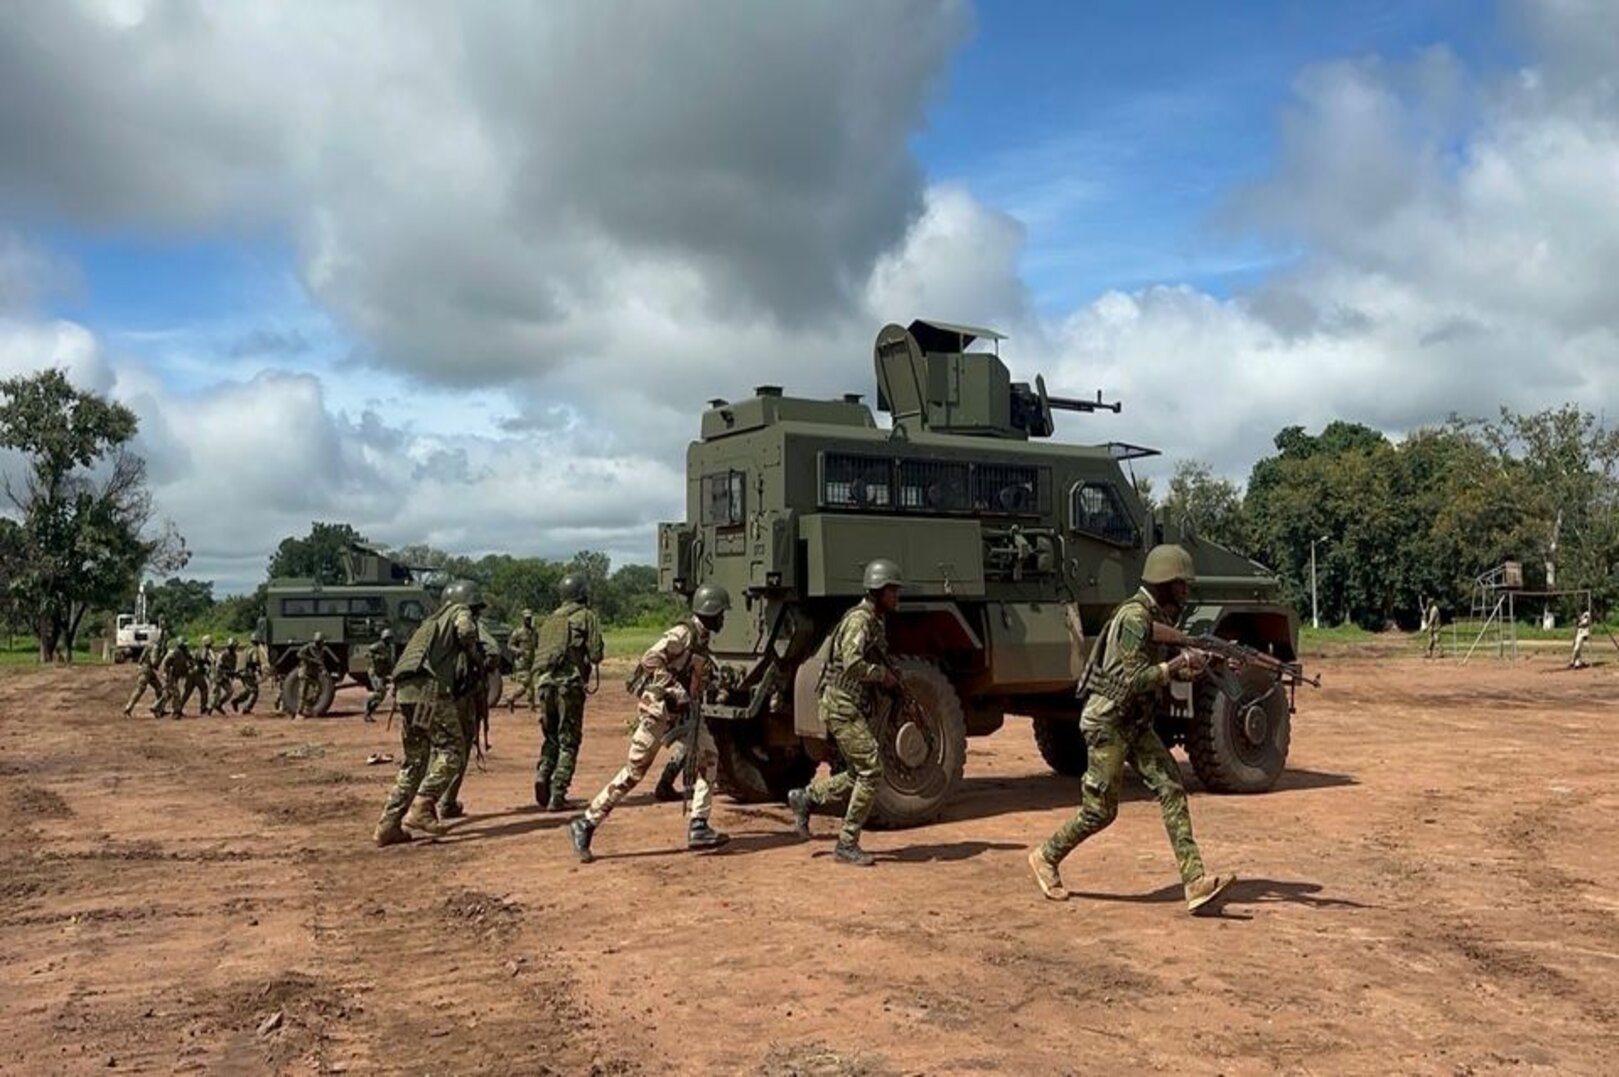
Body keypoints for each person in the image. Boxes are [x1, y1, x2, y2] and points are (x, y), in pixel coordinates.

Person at [1027, 544, 1235, 915]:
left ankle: (1195, 883)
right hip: (1107, 722)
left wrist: (1193, 666)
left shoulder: (1152, 618)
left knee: (1171, 787)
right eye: (1182, 585)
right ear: (1165, 583)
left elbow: (1153, 674)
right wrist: (1176, 667)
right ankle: (1045, 856)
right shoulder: (1134, 619)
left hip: (1133, 723)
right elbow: (1134, 679)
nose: (1186, 592)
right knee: (1100, 812)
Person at [569, 585, 731, 863]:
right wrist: (671, 687)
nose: (724, 620)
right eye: (722, 614)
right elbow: (649, 658)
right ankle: (586, 822)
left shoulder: (701, 640)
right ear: (711, 612)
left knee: (710, 758)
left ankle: (699, 826)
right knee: (634, 772)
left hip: (685, 713)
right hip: (659, 712)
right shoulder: (683, 634)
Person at [786, 559, 904, 868]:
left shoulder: (874, 620)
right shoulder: (860, 621)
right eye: (893, 590)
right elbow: (852, 664)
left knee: (857, 773)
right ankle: (847, 843)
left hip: (847, 704)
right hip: (841, 704)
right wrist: (882, 675)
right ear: (879, 591)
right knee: (871, 769)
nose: (897, 596)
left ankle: (807, 797)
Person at [372, 579, 486, 846]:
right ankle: (423, 805)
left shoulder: (430, 623)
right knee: (454, 750)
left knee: (415, 760)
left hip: (406, 692)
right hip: (428, 690)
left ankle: (388, 825)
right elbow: (467, 631)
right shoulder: (460, 612)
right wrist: (472, 653)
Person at [533, 574, 605, 811]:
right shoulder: (586, 616)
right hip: (568, 686)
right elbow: (595, 654)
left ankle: (543, 772)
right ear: (582, 594)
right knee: (569, 741)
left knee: (551, 736)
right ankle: (558, 793)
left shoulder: (550, 620)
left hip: (544, 685)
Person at [123, 632, 168, 718]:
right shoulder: (155, 647)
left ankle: (159, 709)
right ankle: (128, 709)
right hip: (146, 670)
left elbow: (141, 659)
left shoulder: (150, 645)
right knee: (140, 690)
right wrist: (162, 655)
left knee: (159, 689)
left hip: (147, 669)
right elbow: (154, 662)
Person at [294, 631, 338, 718]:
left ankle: (308, 706)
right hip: (305, 672)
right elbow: (299, 654)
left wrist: (324, 671)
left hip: (313, 673)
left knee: (318, 689)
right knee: (303, 692)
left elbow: (321, 662)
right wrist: (309, 659)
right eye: (319, 642)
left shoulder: (321, 650)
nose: (320, 643)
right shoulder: (308, 647)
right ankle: (299, 712)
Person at [504, 610, 538, 712]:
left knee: (529, 685)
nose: (528, 620)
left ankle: (530, 706)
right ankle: (513, 698)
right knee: (527, 683)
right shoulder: (518, 632)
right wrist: (519, 651)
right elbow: (510, 645)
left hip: (531, 661)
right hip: (521, 661)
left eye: (530, 618)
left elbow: (536, 645)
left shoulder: (534, 632)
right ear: (523, 619)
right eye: (527, 618)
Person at [362, 629, 395, 723]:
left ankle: (368, 713)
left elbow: (390, 661)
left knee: (381, 696)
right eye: (388, 638)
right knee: (380, 691)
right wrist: (378, 657)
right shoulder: (378, 646)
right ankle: (368, 700)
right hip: (374, 672)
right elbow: (368, 653)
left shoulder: (389, 648)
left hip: (381, 673)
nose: (390, 640)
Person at [160, 637, 197, 718]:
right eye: (184, 645)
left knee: (169, 694)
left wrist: (192, 666)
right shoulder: (175, 653)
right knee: (176, 694)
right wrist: (165, 674)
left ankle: (157, 708)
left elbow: (191, 659)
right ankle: (176, 712)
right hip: (171, 676)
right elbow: (166, 663)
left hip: (177, 676)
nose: (186, 646)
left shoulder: (185, 652)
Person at [233, 634, 265, 714]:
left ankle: (237, 700)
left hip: (241, 672)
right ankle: (246, 708)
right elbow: (254, 661)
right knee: (254, 691)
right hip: (248, 672)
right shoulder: (255, 649)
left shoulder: (246, 648)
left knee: (248, 689)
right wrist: (259, 670)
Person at [210, 638, 240, 714]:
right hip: (218, 675)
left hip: (225, 676)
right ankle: (209, 709)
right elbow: (218, 666)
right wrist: (224, 674)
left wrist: (233, 674)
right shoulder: (223, 654)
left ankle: (219, 704)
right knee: (216, 693)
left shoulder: (234, 656)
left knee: (230, 691)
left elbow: (232, 667)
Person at [192, 635, 217, 715]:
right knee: (205, 689)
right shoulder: (206, 650)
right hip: (198, 673)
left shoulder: (200, 649)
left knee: (187, 692)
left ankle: (178, 708)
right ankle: (203, 708)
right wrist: (208, 668)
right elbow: (206, 660)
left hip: (196, 672)